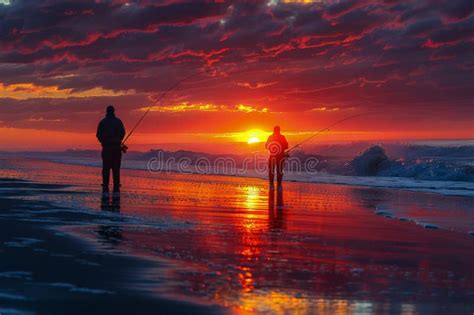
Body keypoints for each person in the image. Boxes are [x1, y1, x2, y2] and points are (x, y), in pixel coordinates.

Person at [96, 105, 125, 194]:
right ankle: (116, 184)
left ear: (106, 111)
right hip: (116, 148)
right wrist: (119, 140)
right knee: (116, 168)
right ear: (113, 111)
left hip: (106, 148)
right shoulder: (118, 122)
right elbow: (123, 133)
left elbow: (98, 135)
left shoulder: (102, 122)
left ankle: (105, 184)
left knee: (106, 167)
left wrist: (103, 142)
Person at [265, 126, 288, 190]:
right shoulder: (282, 137)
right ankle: (279, 186)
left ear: (274, 130)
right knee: (280, 171)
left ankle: (271, 185)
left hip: (272, 156)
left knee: (271, 171)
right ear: (279, 130)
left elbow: (266, 146)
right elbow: (286, 146)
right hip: (280, 156)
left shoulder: (270, 137)